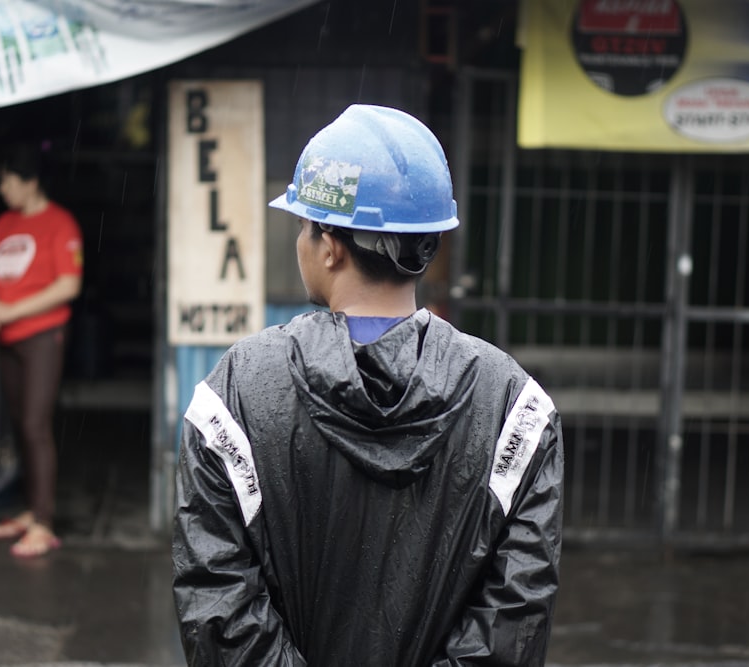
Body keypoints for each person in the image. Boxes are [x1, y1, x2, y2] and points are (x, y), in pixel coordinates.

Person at [172, 105, 563, 666]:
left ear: (330, 246)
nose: (302, 242)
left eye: (305, 226)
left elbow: (218, 607)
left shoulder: (235, 393)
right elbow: (513, 625)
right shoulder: (515, 410)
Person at [0, 144, 83, 558]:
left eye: (8, 179)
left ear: (30, 181)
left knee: (36, 424)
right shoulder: (4, 222)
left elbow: (68, 286)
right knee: (18, 423)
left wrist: (9, 310)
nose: (2, 188)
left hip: (42, 337)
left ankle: (44, 522)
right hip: (5, 339)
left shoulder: (60, 223)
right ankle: (29, 509)